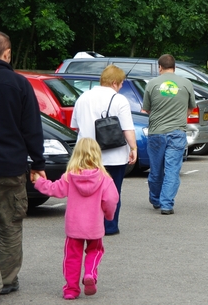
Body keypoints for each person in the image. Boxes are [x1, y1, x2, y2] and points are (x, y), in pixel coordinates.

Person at [33, 137, 119, 300]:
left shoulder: (69, 176)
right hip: (94, 226)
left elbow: (54, 190)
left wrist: (39, 181)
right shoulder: (104, 179)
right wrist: (108, 216)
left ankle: (71, 289)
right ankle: (90, 273)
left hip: (74, 227)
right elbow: (111, 200)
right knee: (95, 250)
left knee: (72, 257)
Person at [0, 31, 46, 302]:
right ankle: (6, 279)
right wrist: (37, 162)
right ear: (7, 54)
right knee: (10, 223)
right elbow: (32, 129)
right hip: (10, 166)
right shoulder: (19, 84)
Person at [71, 65, 137, 235]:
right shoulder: (119, 100)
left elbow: (75, 127)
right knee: (112, 192)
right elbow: (127, 129)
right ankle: (109, 226)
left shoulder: (83, 97)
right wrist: (133, 148)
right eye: (121, 83)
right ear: (115, 82)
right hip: (114, 156)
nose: (121, 87)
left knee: (86, 194)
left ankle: (86, 225)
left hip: (86, 156)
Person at [143, 54, 196, 214]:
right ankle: (167, 205)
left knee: (156, 169)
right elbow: (191, 108)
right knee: (172, 170)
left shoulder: (151, 84)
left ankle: (155, 199)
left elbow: (147, 109)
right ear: (175, 67)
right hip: (177, 132)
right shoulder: (186, 84)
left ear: (159, 67)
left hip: (156, 133)